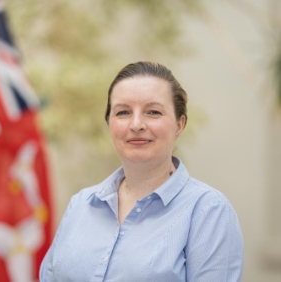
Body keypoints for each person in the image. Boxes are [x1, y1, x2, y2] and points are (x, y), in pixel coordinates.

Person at [39, 61, 244, 282]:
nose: (136, 124)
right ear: (109, 123)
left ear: (179, 125)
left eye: (153, 112)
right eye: (123, 112)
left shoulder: (208, 211)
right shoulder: (81, 205)